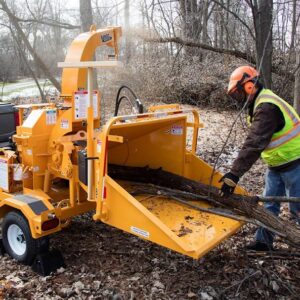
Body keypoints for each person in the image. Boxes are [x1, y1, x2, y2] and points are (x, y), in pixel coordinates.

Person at [219, 65, 300, 251]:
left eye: (238, 92)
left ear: (249, 86)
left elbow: (254, 143)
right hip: (277, 164)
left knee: (298, 209)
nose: (238, 98)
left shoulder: (266, 107)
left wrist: (234, 175)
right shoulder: (261, 102)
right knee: (269, 205)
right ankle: (263, 242)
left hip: (295, 162)